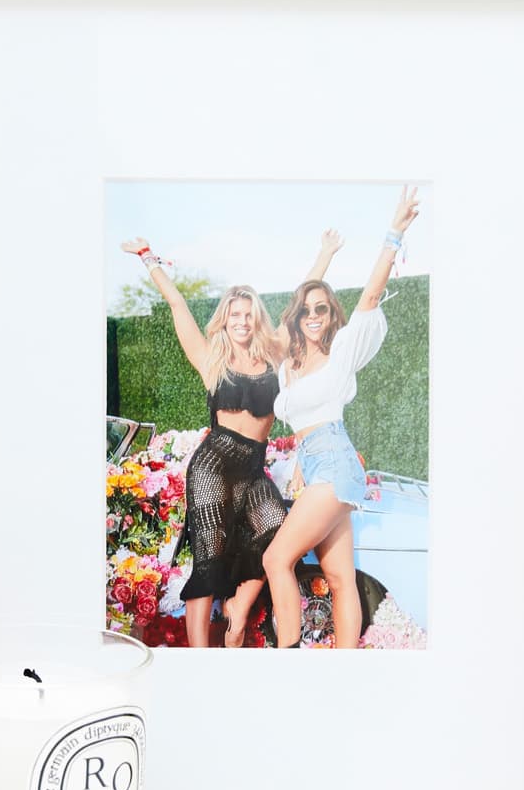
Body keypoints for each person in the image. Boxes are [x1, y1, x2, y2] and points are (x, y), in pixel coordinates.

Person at [119, 230, 342, 647]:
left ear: (256, 318)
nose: (241, 321)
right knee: (210, 557)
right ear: (224, 319)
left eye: (247, 314)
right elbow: (178, 305)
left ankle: (238, 611)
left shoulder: (275, 353)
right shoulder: (211, 359)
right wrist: (148, 258)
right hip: (213, 466)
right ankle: (201, 658)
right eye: (234, 314)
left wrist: (325, 253)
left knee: (277, 530)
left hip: (253, 469)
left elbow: (299, 303)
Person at [262, 185, 422, 649]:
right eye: (306, 310)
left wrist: (393, 234)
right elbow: (302, 425)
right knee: (337, 577)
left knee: (276, 560)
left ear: (331, 315)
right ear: (297, 317)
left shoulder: (340, 354)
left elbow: (370, 296)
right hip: (316, 463)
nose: (313, 315)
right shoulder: (288, 364)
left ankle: (288, 654)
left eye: (322, 309)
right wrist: (324, 256)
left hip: (334, 461)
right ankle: (345, 666)